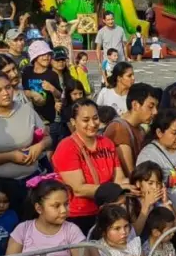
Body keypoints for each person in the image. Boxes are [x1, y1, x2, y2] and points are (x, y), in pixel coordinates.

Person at [0, 71, 51, 212]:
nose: (5, 93)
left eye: (8, 87)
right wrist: (10, 156)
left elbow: (47, 138)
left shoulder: (27, 110)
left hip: (31, 182)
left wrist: (40, 146)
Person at [52, 99, 127, 235]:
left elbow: (119, 178)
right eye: (85, 120)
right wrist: (116, 191)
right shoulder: (67, 147)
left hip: (107, 211)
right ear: (74, 122)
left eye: (95, 118)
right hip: (79, 215)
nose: (92, 124)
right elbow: (79, 189)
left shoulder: (107, 143)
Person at [104, 83, 158, 177]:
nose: (155, 112)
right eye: (150, 107)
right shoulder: (119, 129)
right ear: (135, 105)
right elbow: (130, 172)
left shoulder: (140, 129)